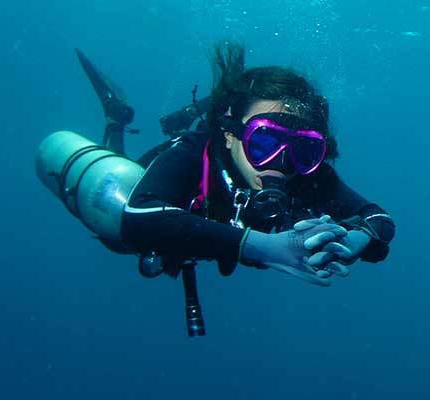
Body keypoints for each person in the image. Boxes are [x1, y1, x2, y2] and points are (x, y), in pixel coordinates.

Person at [118, 42, 396, 286]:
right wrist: (261, 246)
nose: (281, 163)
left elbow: (379, 219)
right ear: (229, 135)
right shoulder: (193, 151)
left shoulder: (307, 175)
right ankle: (115, 122)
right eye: (264, 142)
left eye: (303, 149)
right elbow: (136, 218)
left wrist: (356, 240)